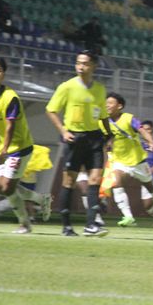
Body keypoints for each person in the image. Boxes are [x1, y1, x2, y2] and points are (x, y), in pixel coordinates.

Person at [46, 50, 110, 237]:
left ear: (93, 66)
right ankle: (66, 225)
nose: (81, 66)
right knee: (69, 182)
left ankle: (91, 225)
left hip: (95, 138)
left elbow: (103, 115)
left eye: (85, 63)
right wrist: (64, 131)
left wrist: (109, 135)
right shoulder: (67, 87)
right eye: (78, 63)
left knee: (95, 180)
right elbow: (51, 110)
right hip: (75, 138)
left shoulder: (99, 88)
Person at [0, 55, 51, 233]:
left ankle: (25, 224)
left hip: (19, 148)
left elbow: (10, 127)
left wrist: (5, 150)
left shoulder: (10, 98)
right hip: (1, 147)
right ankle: (40, 199)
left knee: (7, 188)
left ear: (4, 74)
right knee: (0, 188)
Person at [102, 93, 153, 230]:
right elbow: (106, 138)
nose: (107, 105)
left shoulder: (128, 118)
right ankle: (128, 216)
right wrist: (108, 146)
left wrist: (150, 141)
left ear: (119, 106)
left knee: (151, 188)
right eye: (106, 102)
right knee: (116, 182)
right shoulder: (103, 121)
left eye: (111, 103)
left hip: (137, 161)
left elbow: (141, 129)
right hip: (119, 161)